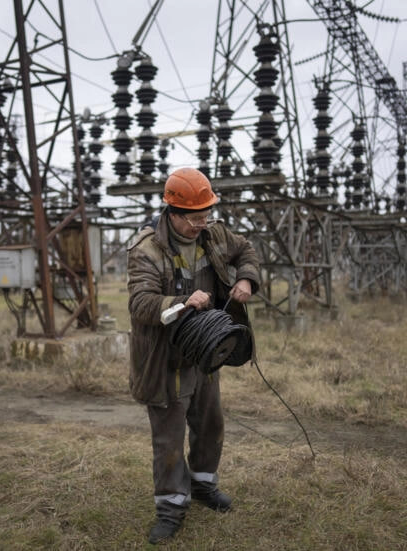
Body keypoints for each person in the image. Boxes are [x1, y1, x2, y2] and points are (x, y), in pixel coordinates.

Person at [127, 167, 261, 544]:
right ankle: (171, 508)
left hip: (205, 352)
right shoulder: (146, 249)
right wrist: (182, 301)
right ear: (173, 212)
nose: (201, 224)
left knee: (211, 423)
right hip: (165, 359)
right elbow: (140, 303)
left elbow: (245, 249)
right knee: (169, 437)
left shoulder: (213, 233)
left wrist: (246, 278)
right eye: (194, 218)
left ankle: (203, 486)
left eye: (206, 215)